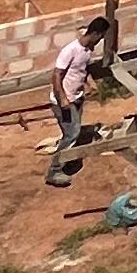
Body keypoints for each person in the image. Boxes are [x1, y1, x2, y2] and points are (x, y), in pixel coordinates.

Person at [47, 15, 108, 183]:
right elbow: (57, 75)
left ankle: (67, 158)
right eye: (101, 37)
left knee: (72, 131)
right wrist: (63, 99)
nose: (100, 41)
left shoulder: (87, 51)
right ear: (95, 33)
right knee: (72, 134)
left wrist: (88, 85)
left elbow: (81, 70)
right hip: (64, 102)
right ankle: (54, 170)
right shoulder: (70, 50)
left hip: (77, 98)